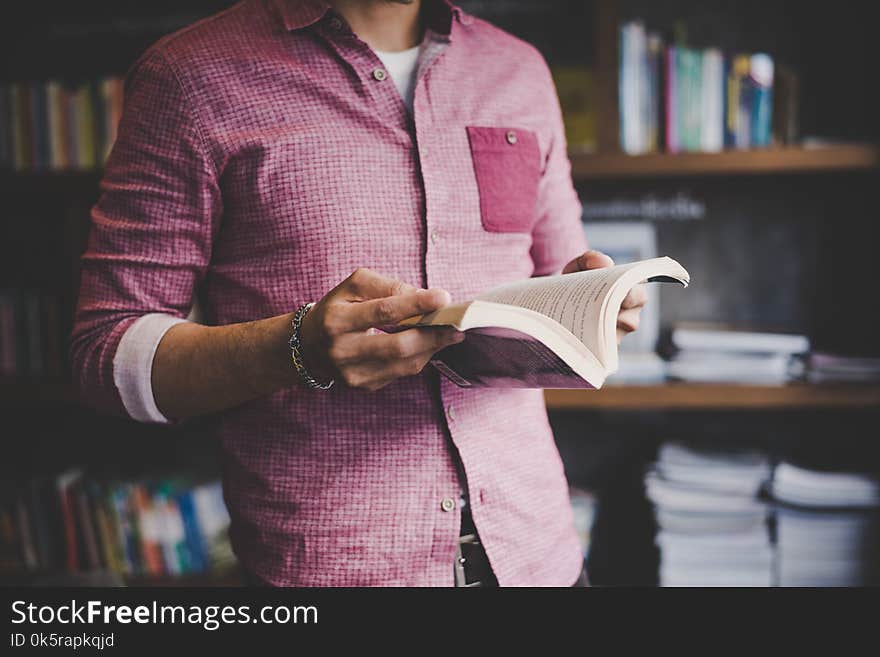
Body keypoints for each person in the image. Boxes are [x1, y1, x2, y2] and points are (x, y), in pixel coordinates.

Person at [71, 0, 646, 586]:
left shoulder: (518, 69)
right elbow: (104, 354)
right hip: (334, 571)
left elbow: (559, 273)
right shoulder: (189, 75)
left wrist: (593, 301)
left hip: (538, 554)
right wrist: (294, 350)